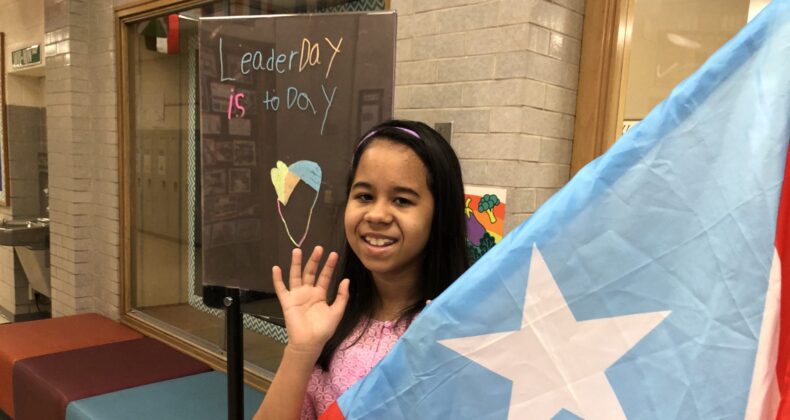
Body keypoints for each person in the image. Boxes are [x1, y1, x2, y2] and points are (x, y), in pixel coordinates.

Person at [254, 120, 470, 420]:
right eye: (365, 196)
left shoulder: (460, 331)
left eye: (402, 200)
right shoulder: (329, 321)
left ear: (440, 214)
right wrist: (300, 350)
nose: (377, 215)